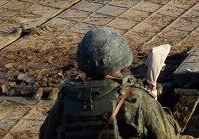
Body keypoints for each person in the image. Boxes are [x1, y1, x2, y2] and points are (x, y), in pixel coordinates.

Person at [40, 27, 182, 139]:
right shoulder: (136, 97)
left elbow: (45, 135)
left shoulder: (67, 98)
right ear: (122, 58)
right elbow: (167, 136)